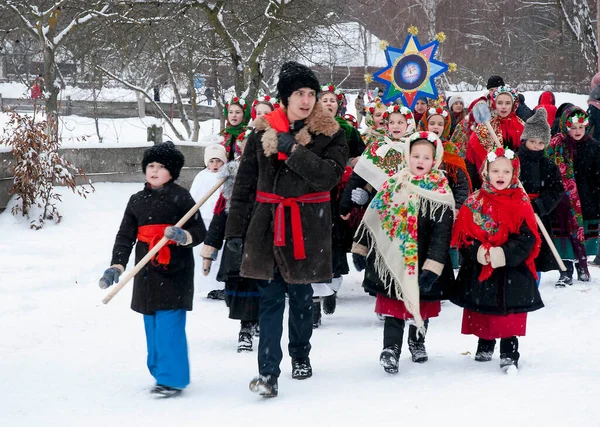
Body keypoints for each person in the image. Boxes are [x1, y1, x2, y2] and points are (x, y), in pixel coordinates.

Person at [225, 61, 348, 398]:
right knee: (270, 300)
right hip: (267, 225)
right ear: (285, 96)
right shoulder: (260, 132)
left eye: (312, 93)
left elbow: (328, 176)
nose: (307, 100)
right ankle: (267, 373)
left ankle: (301, 353)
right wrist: (234, 233)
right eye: (299, 93)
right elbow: (244, 187)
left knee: (301, 296)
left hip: (308, 224)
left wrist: (292, 150)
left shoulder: (331, 133)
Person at [98, 142, 206, 398]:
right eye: (150, 166)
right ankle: (161, 374)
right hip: (146, 272)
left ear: (173, 172)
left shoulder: (182, 197)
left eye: (161, 167)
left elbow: (201, 231)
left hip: (174, 270)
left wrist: (183, 236)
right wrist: (117, 264)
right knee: (153, 327)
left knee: (169, 326)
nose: (154, 171)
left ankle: (174, 379)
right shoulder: (136, 200)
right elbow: (125, 236)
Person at [351, 131, 455, 373]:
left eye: (426, 157)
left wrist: (433, 266)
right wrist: (361, 246)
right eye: (415, 155)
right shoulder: (393, 184)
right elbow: (375, 216)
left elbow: (441, 234)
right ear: (406, 156)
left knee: (421, 306)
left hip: (423, 260)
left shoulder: (440, 192)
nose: (420, 161)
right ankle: (391, 349)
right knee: (393, 308)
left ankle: (417, 341)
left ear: (435, 159)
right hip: (393, 257)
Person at [452, 146, 544, 371]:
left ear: (514, 175)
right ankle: (485, 344)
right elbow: (464, 236)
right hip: (481, 267)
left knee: (508, 314)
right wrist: (477, 252)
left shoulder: (520, 203)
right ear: (486, 172)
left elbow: (527, 238)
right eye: (495, 171)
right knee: (483, 308)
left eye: (506, 172)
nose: (500, 176)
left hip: (511, 270)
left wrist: (504, 253)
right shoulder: (474, 203)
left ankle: (509, 350)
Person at [311, 84, 365, 326]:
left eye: (333, 100)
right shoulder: (308, 127)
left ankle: (332, 285)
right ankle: (313, 297)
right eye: (324, 99)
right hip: (313, 191)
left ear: (339, 104)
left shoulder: (348, 129)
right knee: (313, 242)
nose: (329, 103)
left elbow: (360, 157)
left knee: (334, 240)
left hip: (338, 191)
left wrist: (352, 168)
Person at [546, 106, 600, 284]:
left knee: (582, 234)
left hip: (587, 198)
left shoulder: (593, 146)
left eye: (581, 127)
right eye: (573, 127)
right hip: (562, 200)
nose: (577, 131)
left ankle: (582, 266)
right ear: (565, 127)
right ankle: (566, 270)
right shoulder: (556, 146)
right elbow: (549, 171)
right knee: (564, 234)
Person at [517, 108, 565, 285]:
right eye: (532, 141)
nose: (536, 146)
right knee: (517, 249)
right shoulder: (514, 161)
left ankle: (533, 286)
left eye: (540, 142)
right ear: (525, 139)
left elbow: (556, 189)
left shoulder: (548, 165)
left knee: (536, 252)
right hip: (516, 214)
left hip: (538, 215)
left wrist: (539, 205)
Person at [466, 85, 525, 189]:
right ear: (494, 103)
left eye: (507, 103)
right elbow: (472, 158)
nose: (503, 107)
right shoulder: (485, 127)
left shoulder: (521, 127)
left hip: (515, 182)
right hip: (488, 183)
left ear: (514, 104)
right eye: (500, 103)